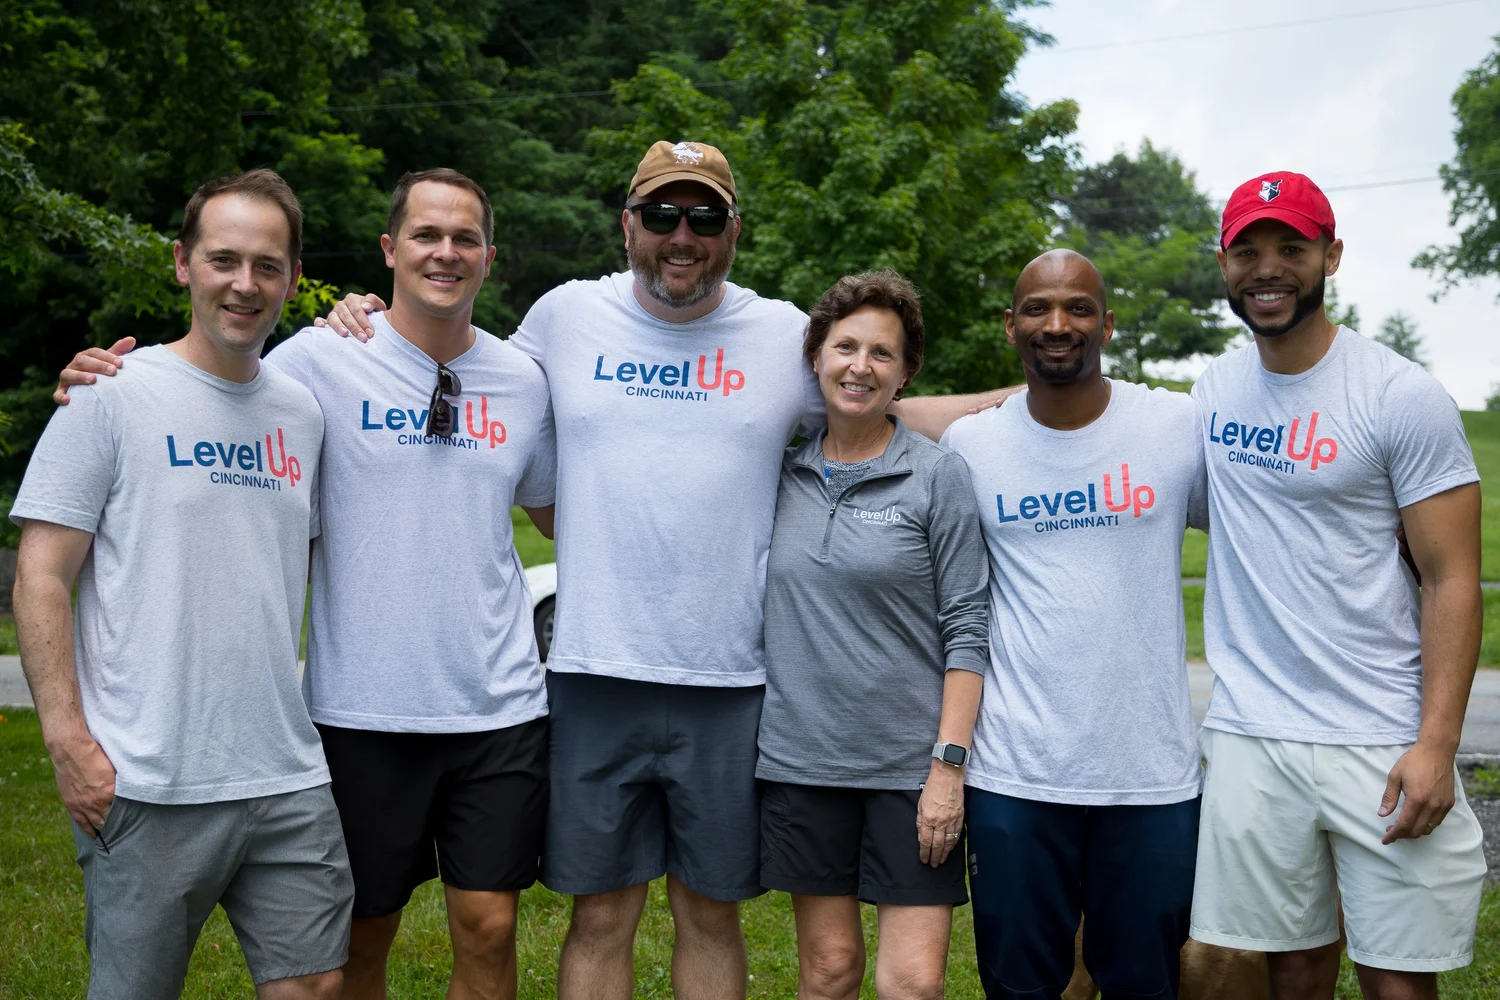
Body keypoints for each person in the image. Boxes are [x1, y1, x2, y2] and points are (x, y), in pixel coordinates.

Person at [309, 140, 1008, 1000]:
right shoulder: (565, 318)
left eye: (705, 217)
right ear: (629, 224)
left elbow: (882, 402)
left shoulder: (784, 334)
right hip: (596, 676)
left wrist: (1031, 407)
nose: (684, 235)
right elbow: (461, 359)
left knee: (708, 912)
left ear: (733, 231)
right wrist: (361, 318)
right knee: (600, 914)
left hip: (732, 681)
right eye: (663, 214)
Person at [54, 168, 557, 1000]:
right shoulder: (320, 362)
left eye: (465, 238)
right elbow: (217, 387)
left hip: (499, 705)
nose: (445, 252)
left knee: (490, 927)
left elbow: (550, 509)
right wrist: (103, 382)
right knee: (361, 934)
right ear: (390, 250)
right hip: (357, 708)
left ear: (489, 258)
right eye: (426, 236)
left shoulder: (523, 380)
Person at [12, 169, 351, 998]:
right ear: (182, 264)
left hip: (284, 772)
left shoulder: (303, 413)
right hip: (146, 778)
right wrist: (68, 745)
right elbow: (41, 575)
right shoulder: (109, 397)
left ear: (293, 279)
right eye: (223, 259)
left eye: (267, 265)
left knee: (315, 987)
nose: (245, 284)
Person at [1187, 172, 1486, 1000]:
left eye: (1291, 248)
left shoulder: (1401, 395)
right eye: (1247, 251)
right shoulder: (1214, 393)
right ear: (1224, 264)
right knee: (1290, 972)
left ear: (1331, 256)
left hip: (1381, 737)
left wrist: (1436, 745)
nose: (1267, 268)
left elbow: (1453, 576)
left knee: (1396, 981)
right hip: (1254, 733)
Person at [940, 249, 1207, 1000]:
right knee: (1020, 986)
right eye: (1038, 309)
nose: (1058, 324)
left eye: (1079, 308)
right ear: (1011, 326)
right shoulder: (973, 445)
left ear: (1109, 325)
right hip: (1014, 776)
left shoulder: (1174, 427)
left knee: (1144, 983)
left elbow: (1272, 524)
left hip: (1150, 777)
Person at [757, 270, 989, 1000]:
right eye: (845, 346)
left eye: (881, 353)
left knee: (913, 983)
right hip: (803, 765)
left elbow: (968, 627)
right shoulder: (776, 471)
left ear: (906, 372)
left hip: (909, 774)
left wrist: (947, 771)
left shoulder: (938, 476)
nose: (861, 366)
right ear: (817, 358)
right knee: (828, 971)